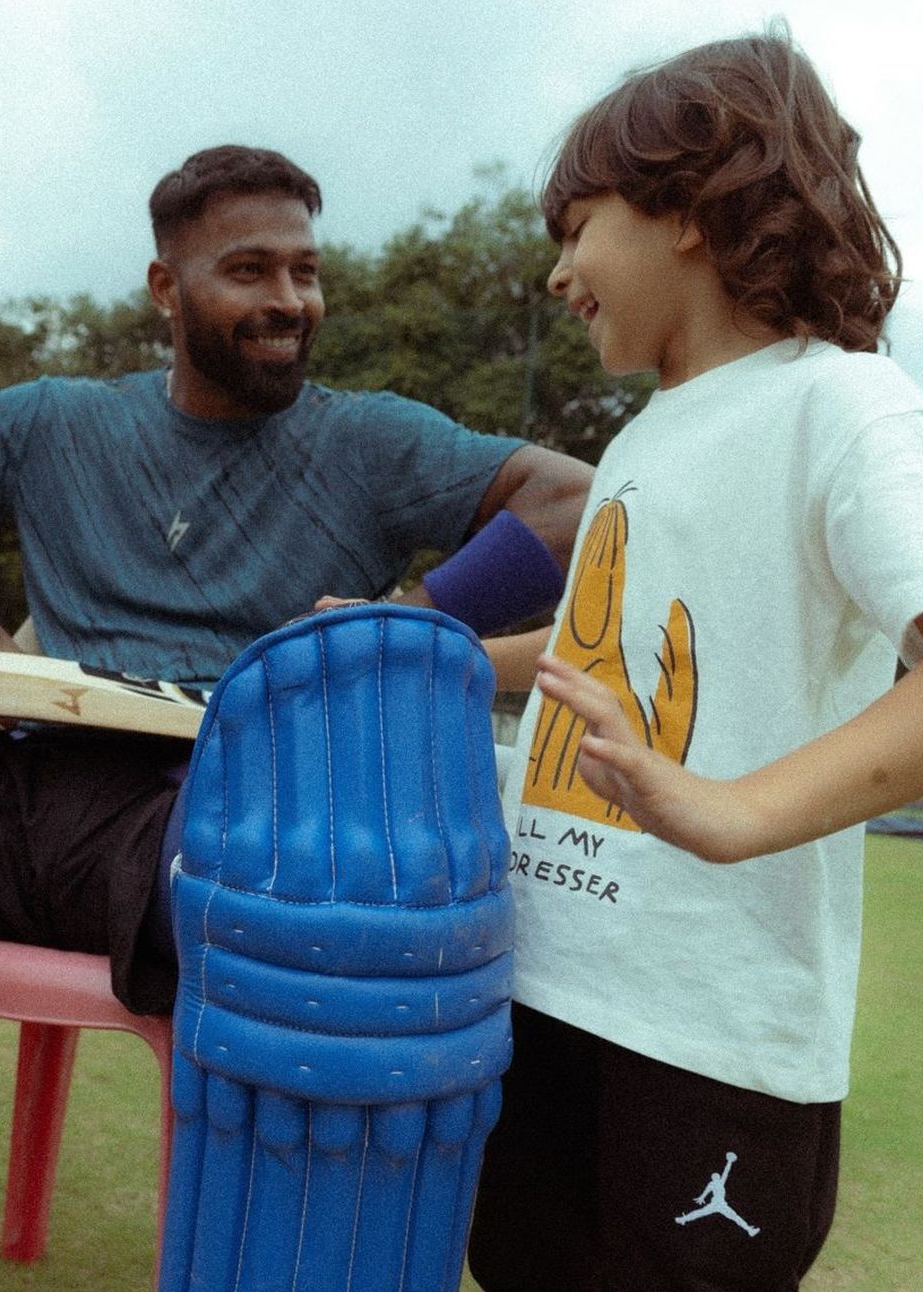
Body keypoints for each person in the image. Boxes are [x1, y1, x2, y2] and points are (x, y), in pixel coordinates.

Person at [0, 146, 591, 1026]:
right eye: (249, 271)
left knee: (293, 883)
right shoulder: (54, 421)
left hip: (210, 823)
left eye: (305, 271)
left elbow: (579, 498)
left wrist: (403, 625)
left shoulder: (372, 442)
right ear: (166, 288)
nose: (288, 300)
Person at [466, 28, 923, 1292]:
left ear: (687, 201)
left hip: (708, 1037)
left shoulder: (842, 405)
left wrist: (724, 813)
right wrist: (431, 649)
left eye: (580, 227)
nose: (561, 273)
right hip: (545, 985)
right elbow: (592, 650)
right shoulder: (649, 430)